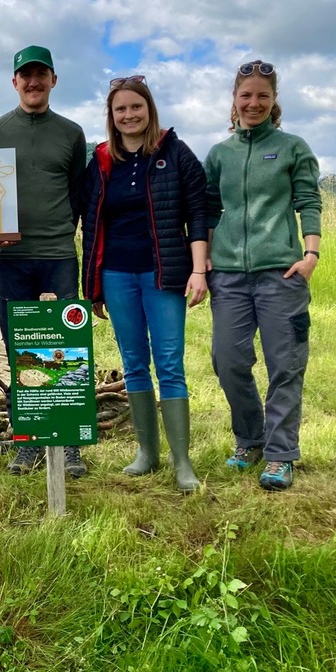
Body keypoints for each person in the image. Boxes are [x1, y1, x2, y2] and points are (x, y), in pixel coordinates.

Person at [80, 75, 209, 493]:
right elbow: (90, 221)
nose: (129, 115)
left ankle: (182, 462)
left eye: (136, 107)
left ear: (149, 109)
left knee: (169, 364)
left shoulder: (174, 152)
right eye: (121, 109)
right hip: (117, 274)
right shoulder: (100, 160)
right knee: (134, 364)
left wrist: (198, 270)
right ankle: (146, 454)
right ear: (111, 117)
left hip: (164, 273)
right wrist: (93, 284)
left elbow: (199, 213)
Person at [204, 60, 321, 492]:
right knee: (228, 362)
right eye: (246, 96)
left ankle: (279, 454)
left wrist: (310, 254)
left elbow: (309, 200)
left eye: (262, 96)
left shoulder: (293, 148)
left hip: (281, 275)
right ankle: (250, 439)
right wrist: (208, 258)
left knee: (285, 365)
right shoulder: (219, 154)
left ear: (274, 103)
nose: (253, 103)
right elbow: (209, 208)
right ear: (234, 101)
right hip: (229, 277)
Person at [0, 45, 88, 478]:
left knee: (63, 350)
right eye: (25, 75)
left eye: (41, 74)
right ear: (14, 82)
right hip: (11, 259)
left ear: (54, 80)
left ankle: (68, 442)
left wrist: (62, 231)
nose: (33, 82)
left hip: (58, 254)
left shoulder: (71, 133)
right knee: (19, 349)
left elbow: (78, 193)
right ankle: (29, 440)